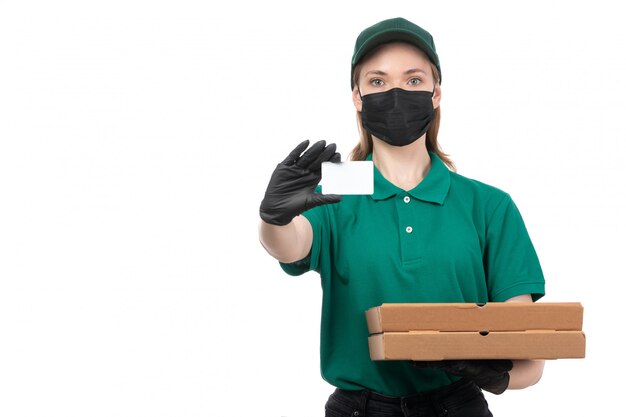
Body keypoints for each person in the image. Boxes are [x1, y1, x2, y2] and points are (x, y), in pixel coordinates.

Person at [258, 17, 546, 417]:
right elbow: (292, 245)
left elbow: (531, 359)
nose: (395, 93)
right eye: (378, 81)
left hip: (457, 407)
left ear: (436, 93)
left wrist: (496, 375)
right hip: (358, 409)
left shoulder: (488, 205)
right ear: (357, 96)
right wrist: (273, 219)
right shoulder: (339, 189)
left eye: (413, 80)